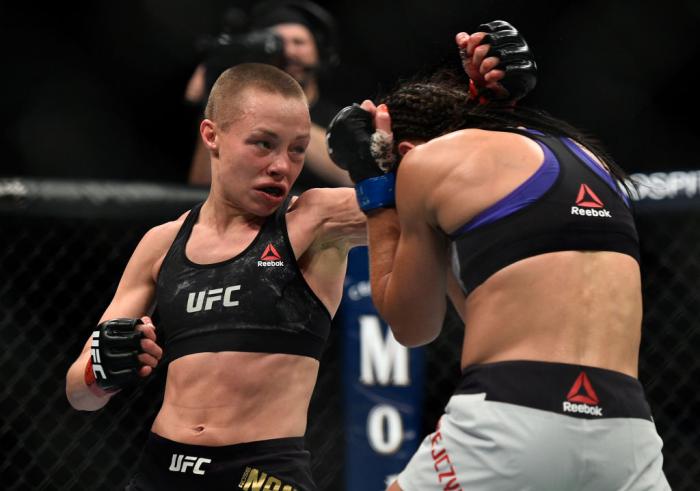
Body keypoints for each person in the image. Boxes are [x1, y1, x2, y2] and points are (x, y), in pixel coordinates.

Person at [327, 26, 672, 491]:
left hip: (511, 418)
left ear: (406, 150)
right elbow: (485, 304)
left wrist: (376, 186)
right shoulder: (591, 160)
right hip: (628, 434)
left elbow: (414, 327)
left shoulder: (427, 165)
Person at [65, 63, 366, 490]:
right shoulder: (162, 243)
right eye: (263, 144)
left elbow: (430, 202)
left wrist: (387, 158)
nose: (282, 165)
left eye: (297, 149)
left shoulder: (314, 220)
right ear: (212, 136)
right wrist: (103, 367)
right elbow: (79, 394)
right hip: (161, 472)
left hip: (261, 476)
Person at [186, 0, 351, 188]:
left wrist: (278, 118)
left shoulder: (340, 119)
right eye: (277, 43)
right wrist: (215, 93)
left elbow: (350, 174)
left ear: (319, 51)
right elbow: (202, 185)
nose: (288, 52)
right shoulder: (241, 115)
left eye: (299, 42)